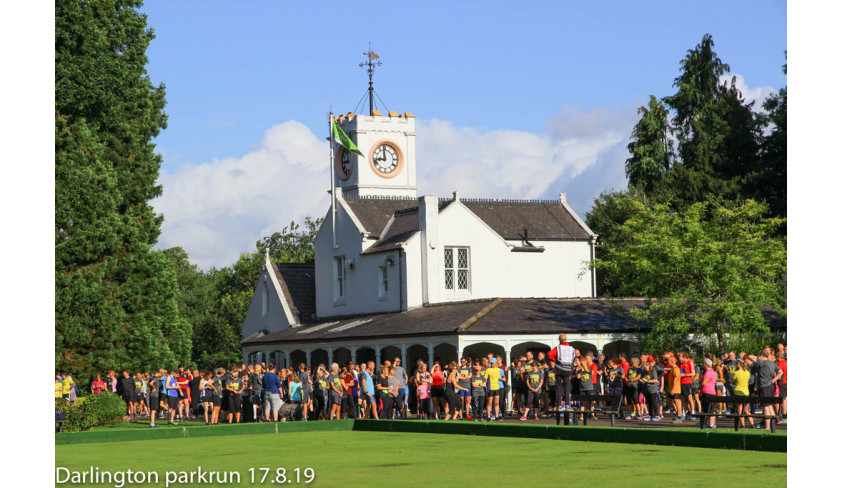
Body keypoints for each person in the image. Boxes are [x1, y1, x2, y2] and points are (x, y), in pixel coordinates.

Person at [748, 351, 783, 430]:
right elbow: (780, 372)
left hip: (764, 387)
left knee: (766, 407)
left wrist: (748, 355)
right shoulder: (773, 364)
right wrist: (774, 380)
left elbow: (751, 357)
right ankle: (773, 426)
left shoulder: (762, 363)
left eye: (759, 356)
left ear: (761, 356)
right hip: (771, 386)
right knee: (770, 406)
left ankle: (767, 427)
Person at [546, 333, 576, 415]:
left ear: (559, 340)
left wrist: (555, 360)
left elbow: (549, 354)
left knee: (559, 387)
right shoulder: (572, 349)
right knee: (567, 388)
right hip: (568, 369)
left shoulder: (558, 348)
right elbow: (574, 358)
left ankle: (559, 405)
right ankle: (567, 405)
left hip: (559, 369)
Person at [700, 358, 718, 428]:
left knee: (709, 409)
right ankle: (709, 423)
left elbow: (704, 382)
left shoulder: (708, 372)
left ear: (706, 364)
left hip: (708, 392)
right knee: (709, 409)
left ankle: (711, 423)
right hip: (710, 391)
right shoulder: (712, 372)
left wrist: (699, 386)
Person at [775, 351, 787, 423]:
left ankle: (784, 415)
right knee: (785, 398)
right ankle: (785, 414)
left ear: (779, 357)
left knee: (782, 399)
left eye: (777, 357)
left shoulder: (780, 363)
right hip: (785, 382)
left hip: (782, 383)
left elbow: (779, 373)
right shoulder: (786, 362)